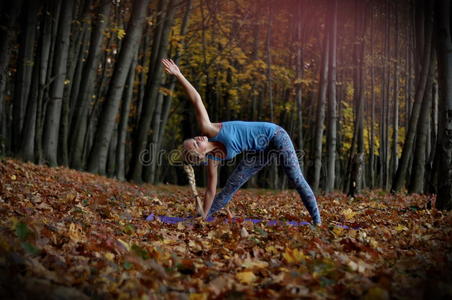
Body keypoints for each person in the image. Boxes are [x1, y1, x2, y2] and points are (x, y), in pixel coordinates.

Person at [161, 58, 321, 225]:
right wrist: (201, 218)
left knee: (295, 177)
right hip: (259, 151)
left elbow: (196, 99)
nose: (198, 138)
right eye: (195, 144)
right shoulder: (213, 161)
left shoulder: (208, 129)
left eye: (193, 139)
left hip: (276, 135)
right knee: (230, 187)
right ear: (199, 156)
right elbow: (210, 192)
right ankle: (201, 219)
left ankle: (317, 220)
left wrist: (179, 75)